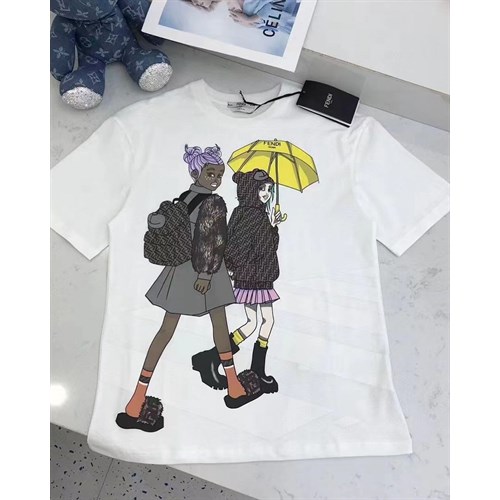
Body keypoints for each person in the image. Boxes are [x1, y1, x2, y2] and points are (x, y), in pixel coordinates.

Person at [116, 145, 262, 433]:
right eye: (211, 173)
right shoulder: (215, 203)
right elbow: (213, 239)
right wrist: (207, 274)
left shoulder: (184, 198)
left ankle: (136, 400)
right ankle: (234, 386)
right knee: (219, 325)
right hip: (206, 271)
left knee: (165, 330)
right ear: (196, 173)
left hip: (180, 269)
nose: (216, 179)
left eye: (219, 174)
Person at [192, 169, 282, 394]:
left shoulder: (257, 213)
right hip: (253, 277)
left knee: (257, 323)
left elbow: (269, 246)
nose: (266, 193)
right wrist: (244, 265)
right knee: (263, 322)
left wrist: (272, 226)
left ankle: (217, 359)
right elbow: (238, 246)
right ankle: (246, 366)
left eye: (269, 189)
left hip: (260, 277)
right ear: (250, 189)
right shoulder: (248, 214)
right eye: (262, 189)